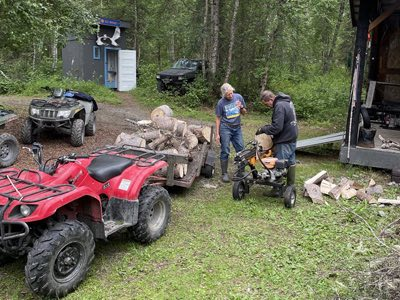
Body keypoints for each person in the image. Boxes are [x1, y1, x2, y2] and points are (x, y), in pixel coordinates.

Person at [256, 90, 298, 190]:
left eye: (267, 104)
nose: (268, 106)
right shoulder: (287, 102)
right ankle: (290, 185)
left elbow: (277, 128)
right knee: (290, 162)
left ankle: (277, 190)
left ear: (271, 99)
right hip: (292, 135)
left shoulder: (279, 106)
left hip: (285, 138)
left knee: (280, 165)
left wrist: (263, 129)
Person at [215, 83, 247, 182]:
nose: (231, 95)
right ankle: (224, 173)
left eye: (231, 93)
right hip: (225, 128)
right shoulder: (221, 103)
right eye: (228, 94)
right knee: (225, 149)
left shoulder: (239, 97)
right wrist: (217, 134)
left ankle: (241, 171)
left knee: (241, 148)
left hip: (237, 128)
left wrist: (241, 107)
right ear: (224, 94)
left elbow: (244, 113)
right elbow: (218, 118)